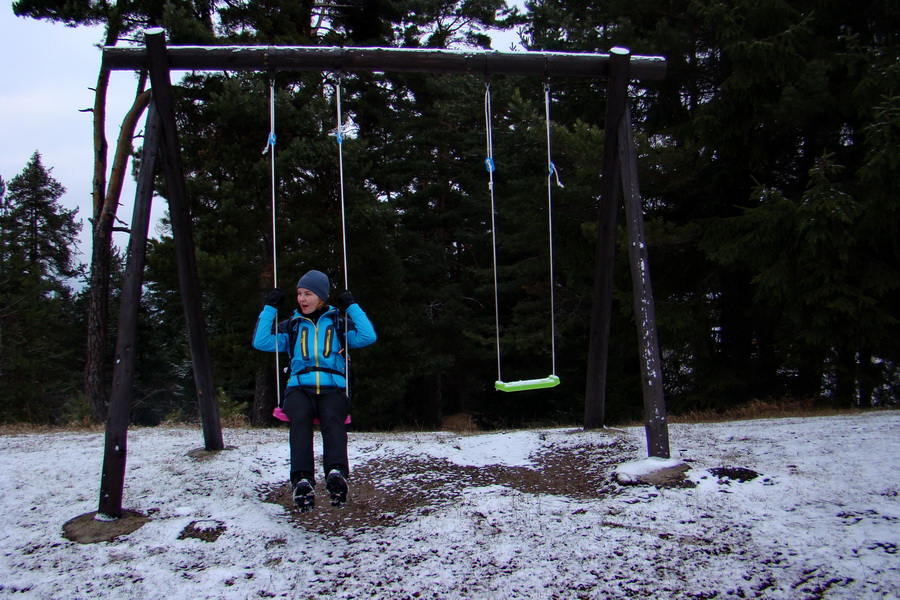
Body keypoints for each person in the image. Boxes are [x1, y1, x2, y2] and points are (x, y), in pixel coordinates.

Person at [252, 269, 376, 511]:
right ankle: (302, 480)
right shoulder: (292, 326)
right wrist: (270, 308)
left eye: (308, 293)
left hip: (333, 389)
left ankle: (336, 473)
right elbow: (261, 341)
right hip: (299, 388)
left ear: (321, 297)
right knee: (299, 420)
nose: (302, 299)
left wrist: (352, 306)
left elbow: (368, 336)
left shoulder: (339, 325)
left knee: (332, 419)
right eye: (299, 294)